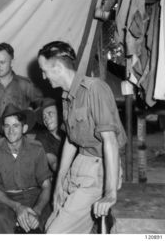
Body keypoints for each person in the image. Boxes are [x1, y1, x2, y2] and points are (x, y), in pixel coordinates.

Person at [37, 41, 127, 233]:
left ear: (58, 67)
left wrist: (110, 193)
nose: (43, 76)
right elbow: (71, 139)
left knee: (55, 234)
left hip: (99, 169)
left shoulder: (95, 88)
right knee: (49, 227)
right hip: (79, 166)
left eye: (44, 70)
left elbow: (110, 141)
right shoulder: (66, 95)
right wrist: (59, 182)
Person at [0, 103, 52, 233]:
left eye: (15, 125)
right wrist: (17, 207)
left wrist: (37, 211)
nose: (11, 131)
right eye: (7, 126)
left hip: (34, 196)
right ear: (2, 128)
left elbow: (46, 186)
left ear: (24, 128)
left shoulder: (37, 148)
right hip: (5, 198)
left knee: (51, 219)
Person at [35, 98, 64, 172]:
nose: (46, 119)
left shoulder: (69, 132)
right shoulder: (42, 137)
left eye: (50, 114)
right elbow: (53, 163)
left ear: (59, 114)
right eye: (44, 116)